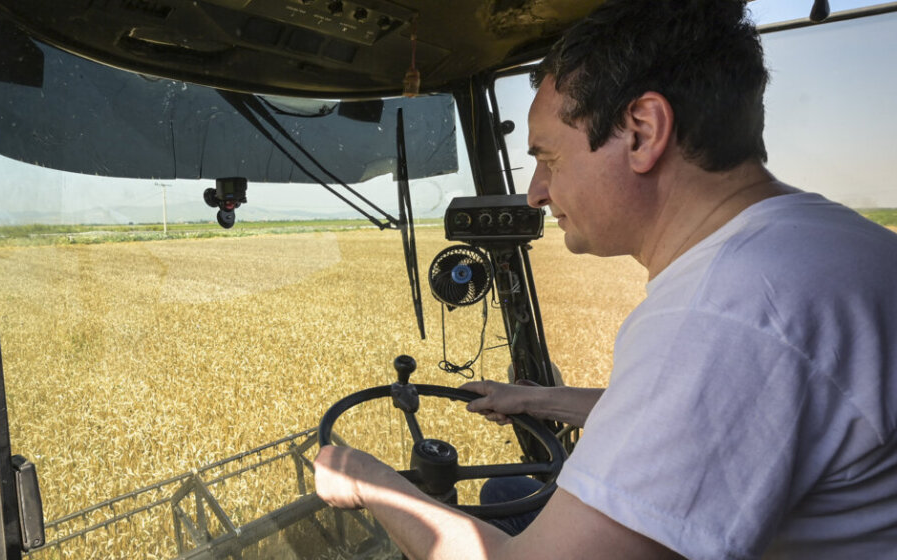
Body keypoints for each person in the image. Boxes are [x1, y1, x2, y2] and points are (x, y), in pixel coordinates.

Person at [314, 0, 897, 558]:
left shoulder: (723, 315)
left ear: (642, 131)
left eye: (550, 159)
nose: (536, 192)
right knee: (508, 494)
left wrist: (372, 482)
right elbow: (698, 417)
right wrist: (540, 398)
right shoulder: (823, 243)